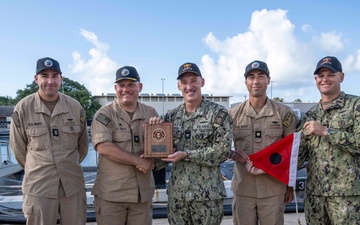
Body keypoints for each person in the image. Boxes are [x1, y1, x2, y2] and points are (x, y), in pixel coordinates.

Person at [150, 62, 232, 225]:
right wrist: (154, 133)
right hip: (178, 197)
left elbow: (222, 151)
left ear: (202, 82)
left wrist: (187, 154)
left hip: (207, 197)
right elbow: (159, 160)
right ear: (179, 86)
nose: (189, 86)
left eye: (193, 80)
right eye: (184, 82)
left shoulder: (218, 114)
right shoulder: (170, 118)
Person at [10, 57, 88, 225]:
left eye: (54, 75)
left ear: (61, 78)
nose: (50, 81)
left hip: (72, 185)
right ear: (36, 79)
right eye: (44, 75)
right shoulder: (23, 108)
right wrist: (38, 167)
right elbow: (18, 149)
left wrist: (66, 163)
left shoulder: (75, 107)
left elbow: (82, 146)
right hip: (39, 186)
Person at [229, 60, 297, 225]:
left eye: (261, 76)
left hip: (273, 189)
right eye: (251, 77)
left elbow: (292, 152)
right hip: (243, 188)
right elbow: (220, 146)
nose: (256, 81)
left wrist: (290, 186)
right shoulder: (233, 114)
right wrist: (231, 154)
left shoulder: (284, 114)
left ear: (268, 79)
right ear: (246, 82)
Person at [296, 56, 360, 224]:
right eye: (320, 76)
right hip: (315, 196)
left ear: (341, 77)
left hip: (347, 196)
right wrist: (266, 167)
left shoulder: (355, 106)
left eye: (330, 74)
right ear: (315, 80)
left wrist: (326, 131)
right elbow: (298, 155)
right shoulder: (310, 115)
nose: (325, 79)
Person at [90, 66, 157, 225]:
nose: (126, 89)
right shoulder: (104, 114)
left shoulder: (150, 113)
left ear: (139, 87)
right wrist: (138, 161)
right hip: (112, 196)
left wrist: (159, 132)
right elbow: (103, 147)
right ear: (115, 88)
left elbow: (159, 148)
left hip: (142, 195)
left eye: (131, 85)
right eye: (121, 85)